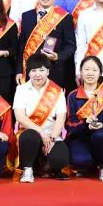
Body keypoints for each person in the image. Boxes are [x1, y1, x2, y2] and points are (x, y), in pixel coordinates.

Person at [13, 54, 69, 183]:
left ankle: (45, 163)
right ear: (28, 72)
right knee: (30, 137)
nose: (37, 74)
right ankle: (28, 169)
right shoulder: (21, 90)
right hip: (30, 132)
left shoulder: (57, 90)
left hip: (51, 134)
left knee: (60, 159)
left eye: (41, 70)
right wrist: (40, 131)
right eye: (33, 70)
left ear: (48, 71)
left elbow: (61, 117)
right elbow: (20, 117)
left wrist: (52, 139)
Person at [65, 56, 103, 182]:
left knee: (101, 135)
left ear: (100, 73)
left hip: (102, 138)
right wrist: (85, 123)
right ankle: (90, 163)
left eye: (94, 70)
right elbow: (69, 123)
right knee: (81, 161)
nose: (90, 73)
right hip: (80, 138)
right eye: (86, 69)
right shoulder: (73, 96)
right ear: (81, 72)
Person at [18, 0, 76, 91]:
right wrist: (19, 70)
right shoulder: (26, 16)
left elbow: (71, 46)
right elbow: (21, 47)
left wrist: (58, 56)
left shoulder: (65, 17)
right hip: (30, 71)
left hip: (55, 71)